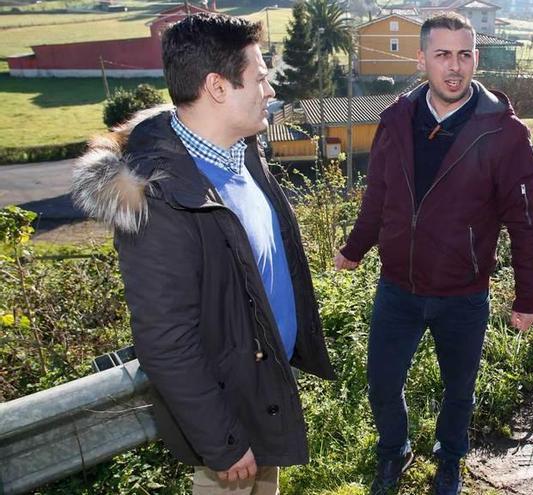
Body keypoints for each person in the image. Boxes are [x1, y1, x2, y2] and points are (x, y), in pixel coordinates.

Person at [71, 13, 335, 495]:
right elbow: (166, 342)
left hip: (263, 392)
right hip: (228, 422)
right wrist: (224, 442)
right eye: (259, 77)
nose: (270, 90)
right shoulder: (160, 198)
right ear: (217, 87)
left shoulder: (244, 153)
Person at [334, 12, 533, 495]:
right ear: (422, 59)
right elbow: (379, 194)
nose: (455, 67)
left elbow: (527, 222)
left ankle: (450, 459)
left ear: (477, 57)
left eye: (465, 54)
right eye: (443, 55)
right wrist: (355, 247)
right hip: (398, 288)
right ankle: (395, 450)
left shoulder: (504, 133)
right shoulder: (397, 119)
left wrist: (527, 297)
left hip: (463, 294)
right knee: (383, 384)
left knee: (458, 392)